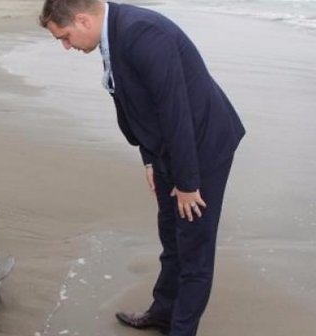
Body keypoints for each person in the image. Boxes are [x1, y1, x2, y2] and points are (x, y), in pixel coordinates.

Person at [39, 1, 245, 335]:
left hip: (201, 146)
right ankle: (164, 311)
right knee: (171, 236)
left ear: (82, 20)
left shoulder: (141, 33)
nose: (65, 46)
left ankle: (181, 330)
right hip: (169, 149)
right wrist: (150, 159)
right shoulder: (112, 34)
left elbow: (174, 108)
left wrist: (188, 182)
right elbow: (138, 105)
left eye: (64, 36)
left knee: (194, 249)